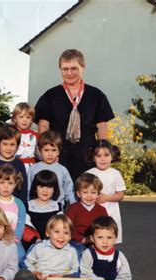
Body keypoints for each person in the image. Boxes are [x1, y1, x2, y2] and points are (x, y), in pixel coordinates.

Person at [35, 49, 115, 181]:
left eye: (74, 68)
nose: (69, 73)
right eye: (65, 69)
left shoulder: (96, 95)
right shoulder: (50, 95)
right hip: (58, 154)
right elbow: (43, 125)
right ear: (60, 69)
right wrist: (46, 152)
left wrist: (102, 153)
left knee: (86, 194)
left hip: (87, 154)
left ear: (83, 68)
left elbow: (102, 126)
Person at [80, 216, 149, 280]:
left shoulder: (119, 256)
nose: (105, 241)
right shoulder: (88, 253)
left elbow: (125, 276)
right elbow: (85, 274)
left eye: (109, 237)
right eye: (100, 237)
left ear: (115, 238)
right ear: (92, 238)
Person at [16, 214, 79, 280]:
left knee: (78, 279)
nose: (61, 236)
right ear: (48, 233)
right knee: (21, 274)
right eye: (57, 232)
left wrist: (62, 277)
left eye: (66, 233)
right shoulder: (39, 247)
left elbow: (76, 271)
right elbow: (25, 262)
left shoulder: (72, 251)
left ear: (70, 236)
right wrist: (34, 273)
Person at [0, 164, 27, 267]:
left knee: (20, 255)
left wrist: (15, 238)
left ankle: (19, 277)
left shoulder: (19, 203)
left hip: (13, 240)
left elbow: (21, 223)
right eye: (2, 182)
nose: (6, 186)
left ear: (16, 184)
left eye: (10, 183)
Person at [86, 140, 126, 243]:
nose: (103, 159)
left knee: (109, 238)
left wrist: (107, 198)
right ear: (93, 157)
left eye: (106, 155)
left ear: (112, 156)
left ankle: (109, 258)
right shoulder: (88, 174)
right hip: (92, 211)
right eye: (99, 156)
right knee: (94, 237)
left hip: (110, 211)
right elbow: (83, 192)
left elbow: (120, 195)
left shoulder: (115, 174)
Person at [28, 130, 75, 208]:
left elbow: (69, 191)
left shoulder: (63, 170)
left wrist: (74, 206)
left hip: (57, 209)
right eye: (46, 150)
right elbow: (29, 190)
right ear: (40, 151)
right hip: (37, 208)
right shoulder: (33, 169)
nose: (50, 154)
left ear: (59, 151)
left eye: (54, 150)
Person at [24, 170, 62, 249]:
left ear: (54, 189)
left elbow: (60, 228)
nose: (45, 191)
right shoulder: (28, 206)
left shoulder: (57, 207)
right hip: (32, 243)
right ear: (35, 188)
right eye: (41, 187)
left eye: (49, 187)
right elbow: (24, 229)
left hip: (52, 244)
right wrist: (36, 240)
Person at [66, 173, 108, 245]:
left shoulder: (102, 210)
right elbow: (67, 228)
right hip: (76, 242)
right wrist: (81, 239)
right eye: (85, 192)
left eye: (93, 192)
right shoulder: (73, 208)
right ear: (78, 194)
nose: (89, 196)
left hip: (96, 242)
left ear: (98, 194)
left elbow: (106, 228)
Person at [11, 102, 39, 171]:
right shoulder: (10, 134)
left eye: (28, 117)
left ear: (32, 120)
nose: (24, 120)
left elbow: (39, 152)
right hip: (14, 165)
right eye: (21, 117)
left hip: (31, 167)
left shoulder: (35, 135)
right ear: (15, 119)